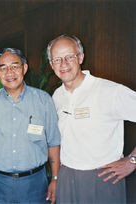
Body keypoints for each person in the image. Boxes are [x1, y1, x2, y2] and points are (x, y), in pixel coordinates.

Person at [47, 34, 136, 203]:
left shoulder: (109, 91)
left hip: (103, 178)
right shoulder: (57, 96)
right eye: (57, 59)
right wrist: (57, 177)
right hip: (67, 177)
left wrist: (132, 161)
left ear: (80, 57)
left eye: (69, 57)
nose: (63, 64)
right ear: (51, 65)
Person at [0, 48, 61, 204]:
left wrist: (55, 178)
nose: (9, 72)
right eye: (3, 67)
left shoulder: (43, 101)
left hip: (34, 185)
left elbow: (53, 144)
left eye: (15, 66)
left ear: (24, 68)